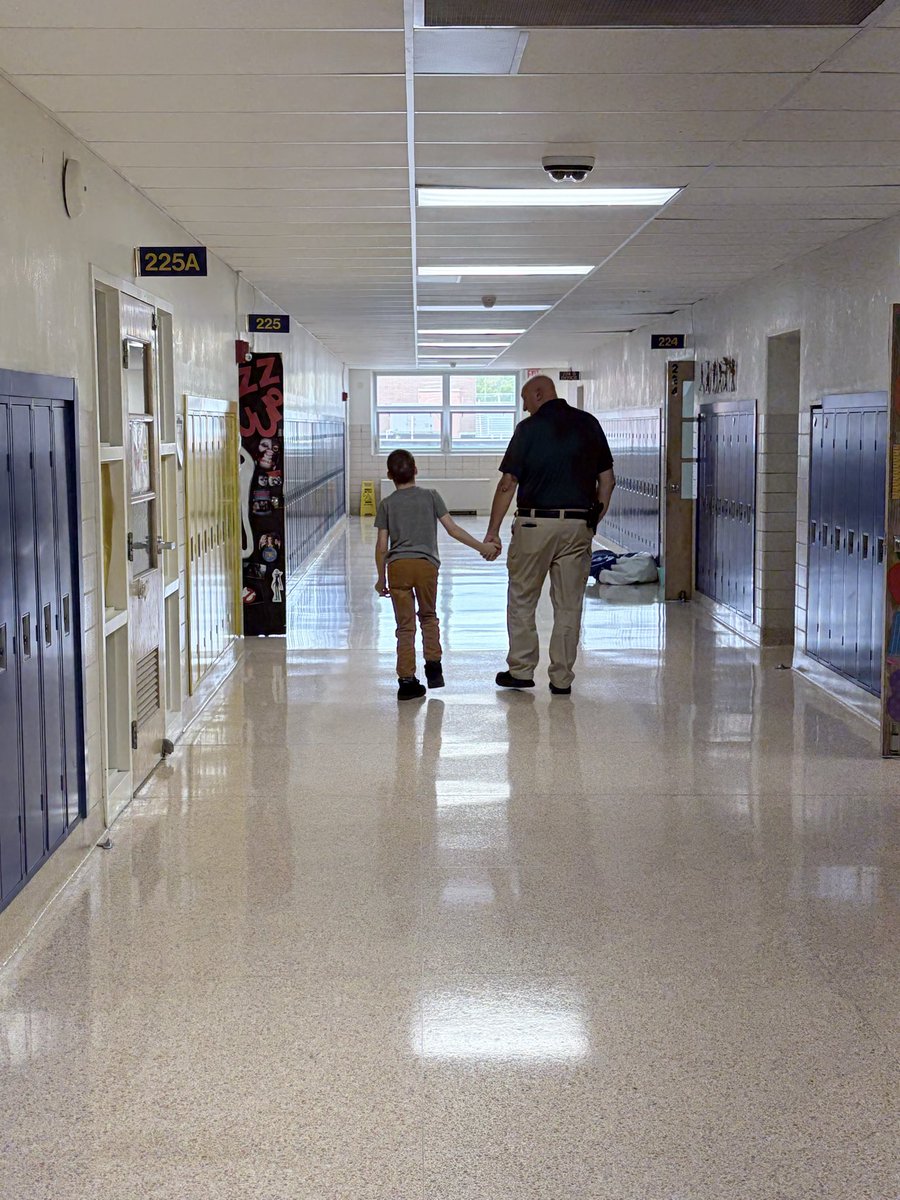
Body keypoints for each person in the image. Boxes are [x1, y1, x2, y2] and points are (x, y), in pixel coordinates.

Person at [485, 375, 615, 696]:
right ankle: (561, 678)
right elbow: (608, 480)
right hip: (577, 525)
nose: (524, 406)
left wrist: (492, 531)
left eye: (525, 399)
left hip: (534, 526)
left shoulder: (528, 430)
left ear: (539, 394)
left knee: (522, 597)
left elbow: (507, 483)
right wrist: (591, 520)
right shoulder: (589, 424)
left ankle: (521, 669)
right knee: (569, 604)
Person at [375, 449, 499, 701]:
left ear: (389, 475)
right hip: (426, 566)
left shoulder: (387, 504)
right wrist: (483, 547)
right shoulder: (431, 496)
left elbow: (381, 546)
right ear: (416, 470)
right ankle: (433, 669)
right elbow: (453, 529)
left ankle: (407, 681)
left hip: (398, 566)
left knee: (405, 627)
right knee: (428, 616)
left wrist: (381, 578)